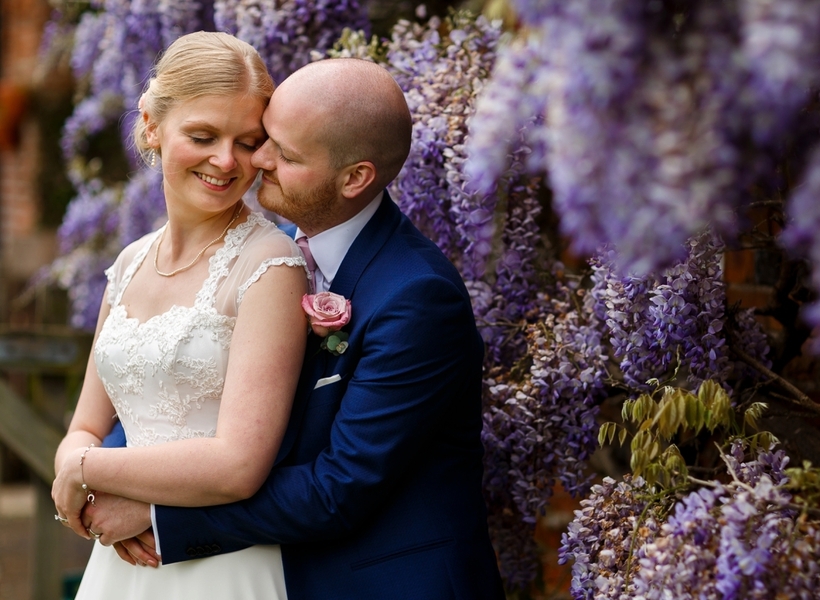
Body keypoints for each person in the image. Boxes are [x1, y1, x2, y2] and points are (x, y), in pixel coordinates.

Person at [85, 57, 506, 598]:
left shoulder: (416, 297)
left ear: (355, 178)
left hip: (382, 583)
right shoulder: (265, 254)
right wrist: (107, 467)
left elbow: (337, 489)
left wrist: (158, 515)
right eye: (265, 139)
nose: (255, 160)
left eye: (281, 152)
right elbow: (176, 388)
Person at [51, 31, 309, 599]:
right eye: (203, 135)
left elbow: (238, 463)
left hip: (222, 567)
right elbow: (85, 427)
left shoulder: (270, 265)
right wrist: (76, 465)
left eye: (248, 141)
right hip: (122, 565)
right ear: (150, 124)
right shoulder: (129, 262)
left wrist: (87, 471)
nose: (226, 160)